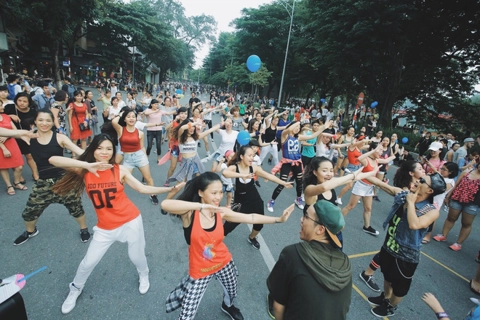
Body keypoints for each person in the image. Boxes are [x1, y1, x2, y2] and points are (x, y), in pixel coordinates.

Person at [49, 133, 182, 314]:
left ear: (114, 151)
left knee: (136, 257)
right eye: (100, 148)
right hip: (105, 228)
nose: (104, 152)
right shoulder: (85, 169)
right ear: (93, 149)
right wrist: (86, 164)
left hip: (130, 221)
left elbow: (142, 188)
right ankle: (75, 288)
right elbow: (53, 160)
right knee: (88, 262)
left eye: (109, 149)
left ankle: (144, 274)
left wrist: (167, 189)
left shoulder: (119, 170)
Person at [161, 172, 294, 320]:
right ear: (200, 192)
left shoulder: (221, 212)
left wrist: (278, 219)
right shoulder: (189, 213)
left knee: (232, 290)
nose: (219, 197)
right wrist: (201, 206)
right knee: (186, 314)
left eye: (220, 192)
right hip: (199, 270)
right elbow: (165, 204)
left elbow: (250, 217)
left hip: (223, 261)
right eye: (213, 193)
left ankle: (227, 305)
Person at [365, 170, 446, 317]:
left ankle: (391, 307)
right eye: (419, 178)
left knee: (399, 287)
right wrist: (359, 174)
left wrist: (410, 202)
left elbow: (414, 225)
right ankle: (385, 298)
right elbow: (381, 184)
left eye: (422, 181)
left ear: (430, 190)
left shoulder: (432, 211)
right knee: (387, 277)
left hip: (405, 256)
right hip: (389, 246)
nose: (417, 180)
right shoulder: (404, 195)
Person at [12, 110, 90, 246]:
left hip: (64, 180)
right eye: (40, 120)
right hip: (42, 183)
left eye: (48, 120)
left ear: (52, 122)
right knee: (30, 211)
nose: (44, 123)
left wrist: (97, 160)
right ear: (35, 121)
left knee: (76, 208)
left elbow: (81, 152)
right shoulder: (29, 137)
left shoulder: (60, 138)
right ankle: (30, 231)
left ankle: (84, 229)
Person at [266, 200, 352, 320]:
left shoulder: (292, 254)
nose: (301, 219)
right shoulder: (345, 263)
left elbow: (278, 306)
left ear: (320, 230)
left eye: (306, 216)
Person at [222, 146, 293, 249]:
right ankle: (214, 244)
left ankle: (252, 237)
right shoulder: (235, 167)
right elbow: (225, 173)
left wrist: (283, 183)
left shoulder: (253, 168)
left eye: (253, 155)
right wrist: (241, 175)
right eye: (249, 155)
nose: (252, 158)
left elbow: (268, 176)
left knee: (259, 223)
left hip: (255, 199)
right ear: (241, 156)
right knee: (229, 225)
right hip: (240, 201)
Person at [267, 120, 332, 212]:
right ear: (291, 126)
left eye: (299, 128)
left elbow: (312, 135)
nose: (297, 129)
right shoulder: (285, 135)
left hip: (297, 162)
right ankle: (272, 201)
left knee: (300, 182)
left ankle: (298, 199)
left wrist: (324, 127)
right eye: (296, 127)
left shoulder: (298, 137)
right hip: (286, 163)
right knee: (282, 183)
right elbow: (288, 129)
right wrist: (299, 121)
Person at [341, 144, 395, 236]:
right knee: (350, 206)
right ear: (374, 149)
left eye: (382, 151)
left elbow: (387, 160)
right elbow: (359, 158)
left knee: (368, 208)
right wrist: (374, 151)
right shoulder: (366, 160)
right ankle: (336, 222)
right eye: (380, 150)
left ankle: (367, 227)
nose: (382, 152)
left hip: (369, 187)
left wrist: (394, 153)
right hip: (361, 185)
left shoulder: (377, 160)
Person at [111, 109, 158, 204]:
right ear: (124, 119)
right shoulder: (121, 130)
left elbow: (142, 147)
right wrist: (121, 114)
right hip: (128, 159)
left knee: (148, 178)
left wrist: (145, 157)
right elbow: (113, 121)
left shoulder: (140, 133)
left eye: (133, 116)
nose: (131, 119)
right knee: (122, 180)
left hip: (139, 157)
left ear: (136, 119)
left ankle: (153, 195)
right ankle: (118, 198)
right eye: (128, 117)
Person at [433, 159, 480, 251]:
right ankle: (443, 235)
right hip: (457, 198)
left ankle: (458, 243)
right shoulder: (467, 172)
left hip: (472, 203)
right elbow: (456, 185)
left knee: (466, 223)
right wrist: (448, 196)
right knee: (451, 218)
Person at [4, 92, 39, 182]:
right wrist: (9, 116)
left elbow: (35, 123)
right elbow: (2, 118)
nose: (21, 103)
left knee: (30, 156)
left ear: (29, 103)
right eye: (19, 100)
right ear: (16, 100)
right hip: (11, 136)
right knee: (16, 157)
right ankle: (19, 176)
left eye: (24, 101)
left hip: (26, 136)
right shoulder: (10, 108)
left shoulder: (32, 111)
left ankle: (35, 174)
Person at [0, 101, 24, 195]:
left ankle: (16, 182)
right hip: (1, 146)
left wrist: (7, 136)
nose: (2, 107)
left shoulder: (6, 116)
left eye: (1, 105)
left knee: (19, 166)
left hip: (11, 142)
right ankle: (9, 185)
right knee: (3, 167)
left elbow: (15, 130)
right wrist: (4, 148)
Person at [67, 90, 92, 157]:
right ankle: (73, 155)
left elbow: (87, 114)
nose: (79, 97)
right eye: (77, 96)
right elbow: (69, 116)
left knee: (84, 139)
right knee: (75, 139)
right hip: (75, 122)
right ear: (75, 97)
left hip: (83, 122)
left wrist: (86, 120)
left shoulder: (84, 104)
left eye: (80, 96)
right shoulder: (72, 104)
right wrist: (70, 126)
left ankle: (83, 154)